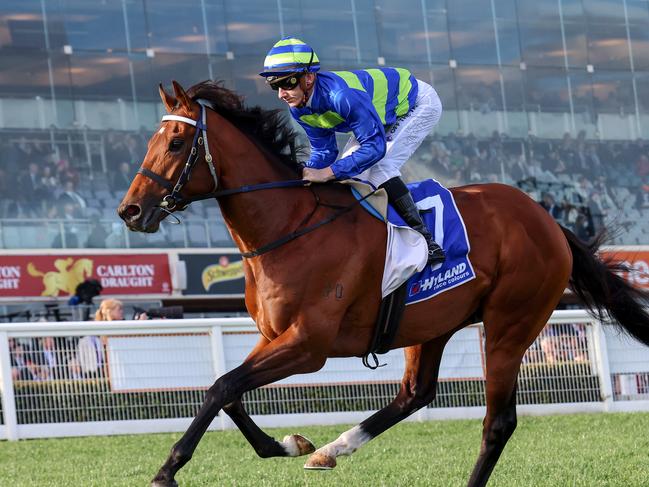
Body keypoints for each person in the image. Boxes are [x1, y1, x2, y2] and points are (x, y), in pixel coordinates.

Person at [259, 36, 445, 266]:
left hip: (415, 103)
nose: (281, 94)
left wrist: (328, 172)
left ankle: (427, 241)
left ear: (308, 78)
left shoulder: (341, 96)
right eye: (274, 85)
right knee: (352, 177)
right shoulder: (300, 108)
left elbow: (375, 148)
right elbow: (324, 151)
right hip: (378, 116)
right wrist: (304, 173)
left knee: (379, 167)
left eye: (287, 83)